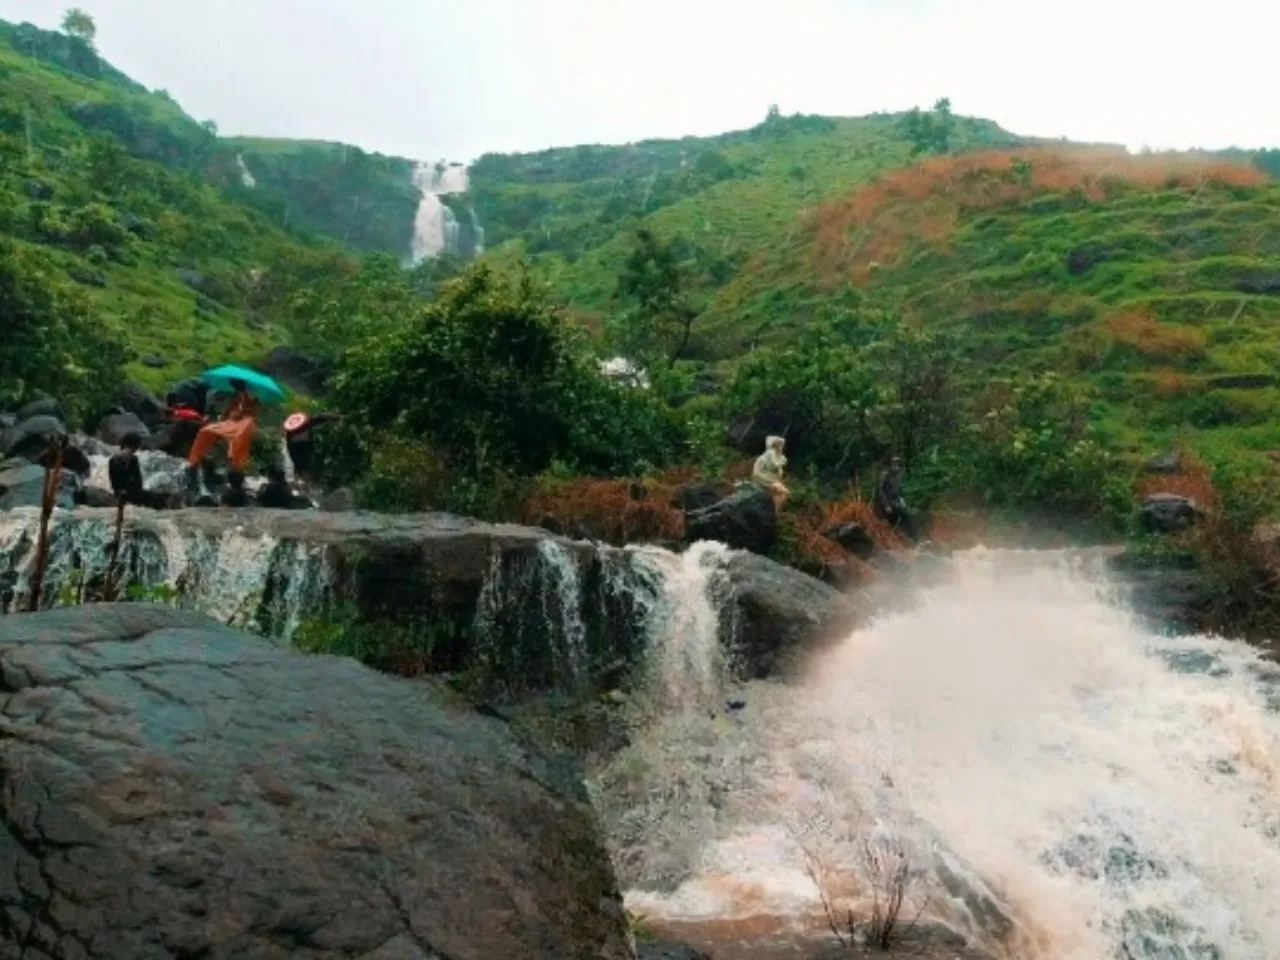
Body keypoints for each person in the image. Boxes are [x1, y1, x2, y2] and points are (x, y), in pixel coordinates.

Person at [185, 379, 260, 476]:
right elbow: (229, 411)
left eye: (235, 385)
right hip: (231, 422)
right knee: (205, 431)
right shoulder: (235, 395)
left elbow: (247, 411)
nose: (234, 387)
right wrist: (222, 418)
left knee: (238, 439)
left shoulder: (250, 395)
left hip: (245, 422)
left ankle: (236, 468)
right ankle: (194, 461)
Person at [282, 410, 342, 492]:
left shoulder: (291, 432)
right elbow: (321, 417)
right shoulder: (306, 423)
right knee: (304, 468)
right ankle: (305, 485)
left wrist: (335, 417)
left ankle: (302, 485)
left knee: (300, 468)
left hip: (298, 449)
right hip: (303, 448)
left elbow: (289, 446)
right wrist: (335, 417)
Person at [108, 434, 166, 509]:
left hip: (129, 492)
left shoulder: (132, 459)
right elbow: (135, 480)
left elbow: (136, 480)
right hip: (125, 493)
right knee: (157, 498)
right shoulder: (118, 460)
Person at [875, 456, 914, 536]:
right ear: (891, 465)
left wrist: (902, 500)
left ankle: (909, 534)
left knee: (908, 513)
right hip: (887, 501)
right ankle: (904, 534)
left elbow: (898, 492)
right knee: (903, 514)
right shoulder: (885, 475)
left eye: (898, 465)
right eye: (894, 464)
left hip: (895, 500)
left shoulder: (897, 476)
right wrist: (886, 505)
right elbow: (881, 491)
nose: (896, 466)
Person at [752, 435, 790, 507]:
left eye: (782, 444)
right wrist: (783, 462)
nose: (781, 446)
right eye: (779, 444)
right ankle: (774, 510)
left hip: (771, 480)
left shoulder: (779, 456)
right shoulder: (770, 453)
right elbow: (774, 465)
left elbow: (778, 471)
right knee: (784, 492)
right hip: (764, 479)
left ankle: (772, 508)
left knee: (779, 494)